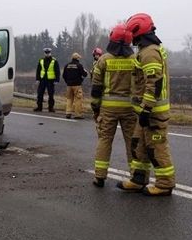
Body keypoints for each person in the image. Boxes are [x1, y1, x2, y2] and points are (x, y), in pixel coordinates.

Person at [117, 13, 175, 196]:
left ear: (138, 32)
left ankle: (165, 184)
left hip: (153, 112)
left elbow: (154, 83)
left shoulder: (149, 52)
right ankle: (138, 179)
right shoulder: (147, 49)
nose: (131, 39)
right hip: (145, 111)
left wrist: (147, 108)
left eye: (132, 34)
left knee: (156, 147)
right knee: (139, 145)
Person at [90, 25, 140, 187]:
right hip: (130, 110)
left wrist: (96, 109)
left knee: (104, 140)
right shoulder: (134, 60)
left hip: (108, 109)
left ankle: (100, 176)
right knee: (131, 142)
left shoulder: (104, 60)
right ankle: (135, 176)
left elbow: (96, 88)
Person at [62, 53, 89, 118]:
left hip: (69, 85)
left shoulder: (67, 65)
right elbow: (84, 74)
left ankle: (68, 113)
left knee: (69, 99)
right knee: (78, 99)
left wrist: (67, 82)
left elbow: (64, 75)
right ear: (77, 58)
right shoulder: (79, 65)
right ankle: (78, 114)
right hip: (77, 85)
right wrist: (85, 74)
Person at [34, 47, 58, 112]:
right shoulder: (41, 60)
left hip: (51, 80)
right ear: (44, 53)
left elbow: (57, 71)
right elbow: (38, 70)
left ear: (50, 53)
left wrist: (56, 80)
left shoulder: (54, 60)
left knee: (51, 94)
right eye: (46, 53)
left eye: (48, 53)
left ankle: (51, 108)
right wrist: (37, 79)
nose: (47, 54)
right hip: (42, 80)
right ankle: (39, 107)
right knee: (40, 94)